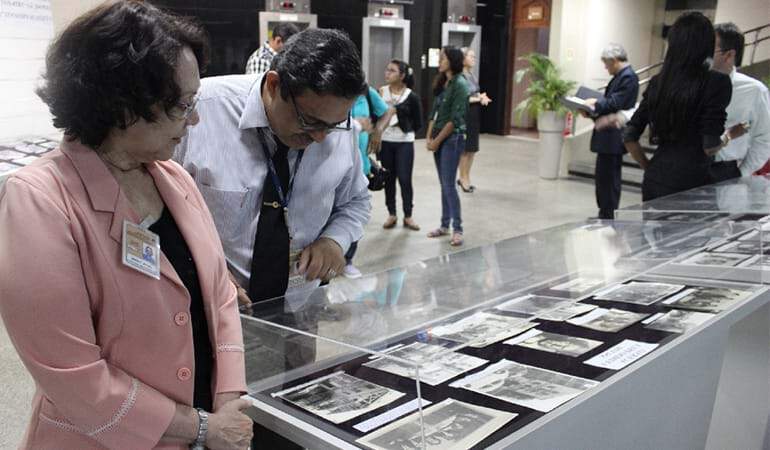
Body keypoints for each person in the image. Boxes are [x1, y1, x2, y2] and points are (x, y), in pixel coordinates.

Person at [0, 2, 253, 449]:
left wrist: (228, 403)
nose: (193, 120)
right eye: (180, 105)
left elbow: (220, 294)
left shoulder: (172, 178)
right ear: (120, 105)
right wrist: (200, 427)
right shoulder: (39, 200)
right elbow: (73, 376)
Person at [175, 27, 370, 305]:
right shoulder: (202, 110)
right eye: (309, 121)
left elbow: (356, 201)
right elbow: (148, 209)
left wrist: (335, 239)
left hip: (299, 307)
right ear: (274, 85)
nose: (320, 137)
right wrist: (199, 267)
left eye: (332, 125)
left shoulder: (338, 129)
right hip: (209, 306)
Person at [623, 12, 732, 201]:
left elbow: (629, 137)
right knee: (691, 232)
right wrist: (731, 135)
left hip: (656, 179)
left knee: (652, 231)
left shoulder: (658, 82)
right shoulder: (717, 82)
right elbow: (710, 147)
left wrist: (649, 167)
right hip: (693, 183)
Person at [584, 43, 639, 219]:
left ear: (614, 60)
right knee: (603, 178)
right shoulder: (622, 76)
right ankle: (604, 212)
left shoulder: (628, 77)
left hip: (613, 136)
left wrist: (594, 104)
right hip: (608, 136)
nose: (605, 68)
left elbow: (615, 103)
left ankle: (607, 214)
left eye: (607, 63)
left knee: (608, 179)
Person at [343, 85, 392, 278]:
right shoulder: (328, 88)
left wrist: (378, 130)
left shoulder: (364, 90)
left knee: (353, 217)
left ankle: (347, 260)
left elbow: (387, 111)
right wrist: (355, 124)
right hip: (332, 166)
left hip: (360, 167)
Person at [710, 22, 770, 181]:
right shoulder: (693, 84)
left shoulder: (754, 90)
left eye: (709, 48)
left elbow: (764, 138)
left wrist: (742, 173)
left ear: (729, 55)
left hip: (725, 171)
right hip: (688, 169)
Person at [426, 46, 470, 247]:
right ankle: (444, 225)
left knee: (449, 185)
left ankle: (457, 228)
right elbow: (434, 114)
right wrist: (429, 137)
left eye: (443, 58)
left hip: (452, 139)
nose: (440, 61)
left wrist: (437, 140)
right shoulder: (445, 83)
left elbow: (454, 119)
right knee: (444, 183)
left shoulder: (460, 84)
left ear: (452, 61)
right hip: (439, 139)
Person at [379, 59, 423, 231]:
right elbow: (375, 115)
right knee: (388, 178)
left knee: (405, 179)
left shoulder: (411, 96)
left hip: (404, 142)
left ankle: (408, 215)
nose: (387, 73)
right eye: (387, 69)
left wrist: (404, 125)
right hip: (385, 141)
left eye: (392, 71)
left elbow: (419, 122)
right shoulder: (381, 92)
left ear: (402, 76)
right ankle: (392, 213)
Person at [457, 47, 491, 193]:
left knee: (472, 149)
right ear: (463, 58)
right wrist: (478, 98)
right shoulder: (459, 77)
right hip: (465, 114)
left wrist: (481, 96)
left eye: (474, 57)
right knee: (465, 149)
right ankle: (463, 178)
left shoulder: (471, 75)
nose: (474, 59)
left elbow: (474, 92)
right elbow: (462, 98)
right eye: (471, 56)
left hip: (474, 114)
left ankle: (467, 176)